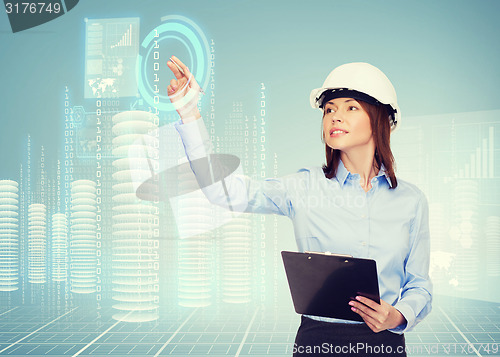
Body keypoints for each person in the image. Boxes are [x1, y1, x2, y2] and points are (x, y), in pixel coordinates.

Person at [167, 56, 432, 357]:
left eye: (350, 107)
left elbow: (420, 285)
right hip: (317, 342)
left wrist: (397, 316)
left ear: (380, 118)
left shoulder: (411, 201)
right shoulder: (303, 187)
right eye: (329, 109)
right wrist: (189, 113)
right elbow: (223, 191)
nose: (335, 116)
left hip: (384, 344)